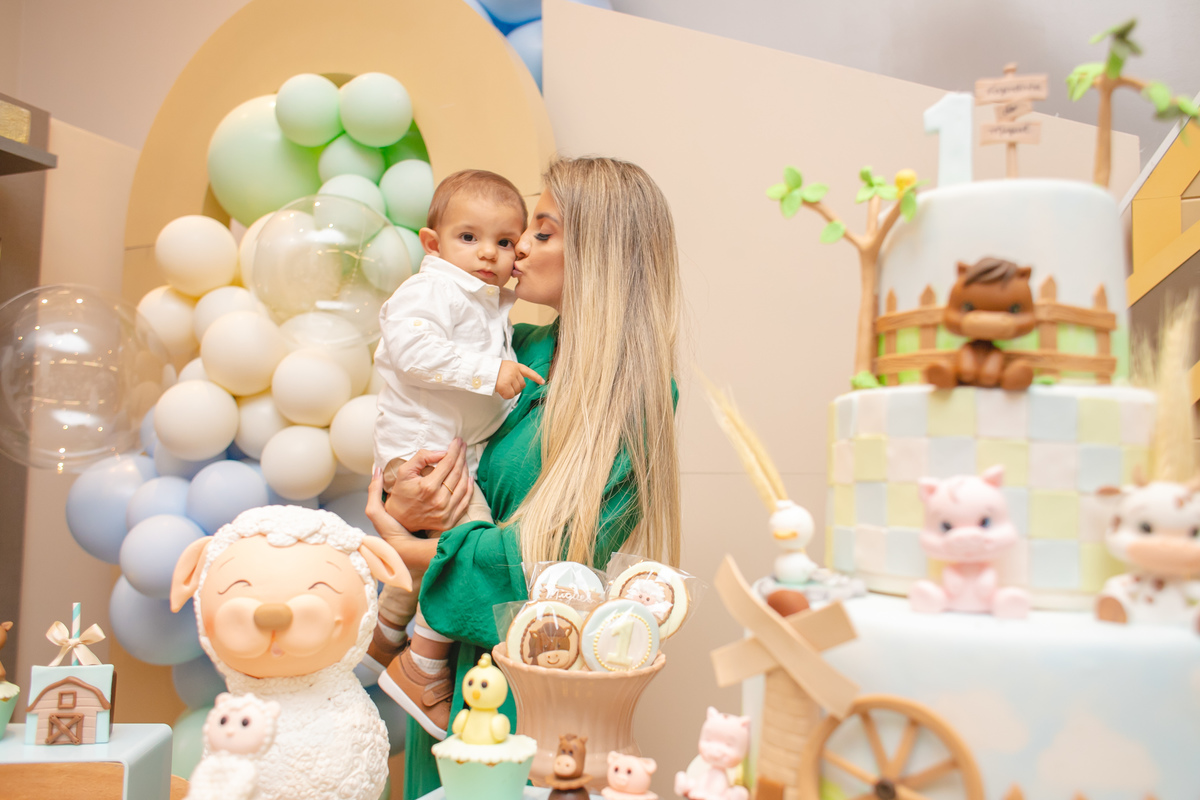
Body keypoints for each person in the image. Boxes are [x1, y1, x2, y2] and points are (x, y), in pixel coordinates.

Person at [365, 156, 683, 800]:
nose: (516, 252)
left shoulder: (634, 397)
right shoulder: (515, 349)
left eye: (540, 233)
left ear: (597, 254)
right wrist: (402, 501)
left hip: (529, 674)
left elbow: (558, 564)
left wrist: (422, 555)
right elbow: (426, 429)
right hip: (453, 667)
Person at [368, 169, 546, 738]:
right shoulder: (431, 290)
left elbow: (494, 309)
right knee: (468, 541)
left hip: (448, 445)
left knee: (434, 549)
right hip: (428, 449)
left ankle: (385, 632)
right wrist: (487, 372)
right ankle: (421, 665)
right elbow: (412, 349)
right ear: (432, 244)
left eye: (506, 241)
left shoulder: (482, 294)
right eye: (469, 237)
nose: (489, 254)